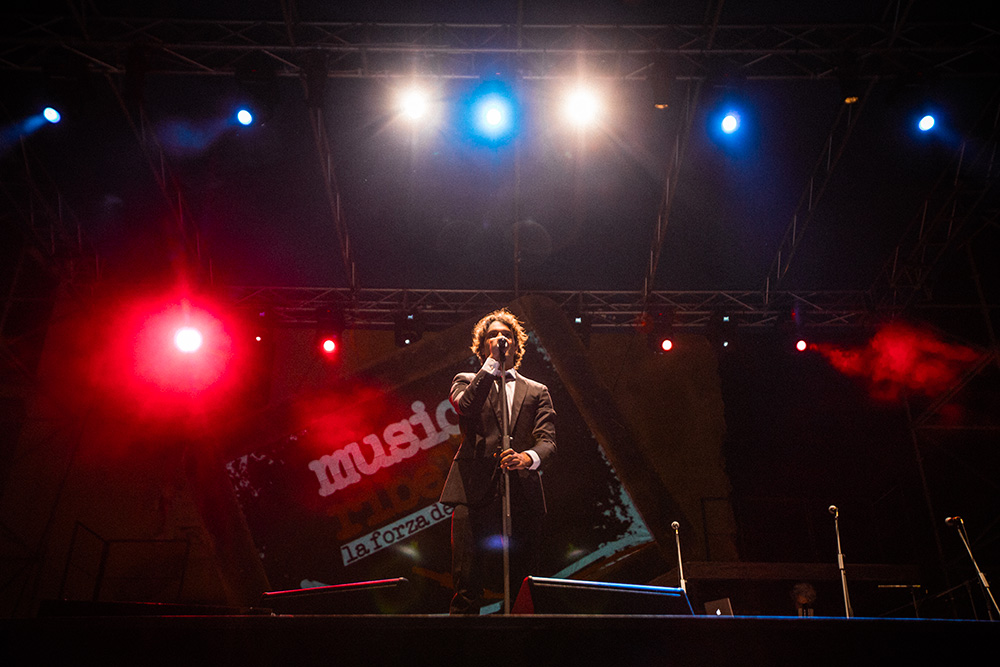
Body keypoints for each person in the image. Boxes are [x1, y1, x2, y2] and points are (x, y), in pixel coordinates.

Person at [439, 309, 556, 614]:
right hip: (473, 492)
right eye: (493, 335)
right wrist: (491, 364)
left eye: (506, 334)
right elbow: (466, 407)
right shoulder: (465, 381)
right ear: (482, 346)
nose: (500, 338)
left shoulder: (537, 391)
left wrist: (526, 458)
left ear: (516, 345)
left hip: (521, 494)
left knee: (522, 585)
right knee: (467, 583)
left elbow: (548, 441)